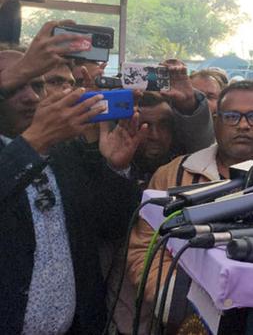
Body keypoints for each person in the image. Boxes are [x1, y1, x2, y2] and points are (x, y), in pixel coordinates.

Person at [0, 45, 146, 334]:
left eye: (38, 85)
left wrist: (116, 169)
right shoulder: (32, 149)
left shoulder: (66, 151)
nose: (31, 97)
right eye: (15, 87)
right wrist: (31, 144)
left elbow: (108, 227)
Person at [124, 81, 253, 333]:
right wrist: (183, 304)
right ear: (216, 121)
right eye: (232, 116)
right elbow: (144, 249)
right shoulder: (174, 174)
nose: (243, 125)